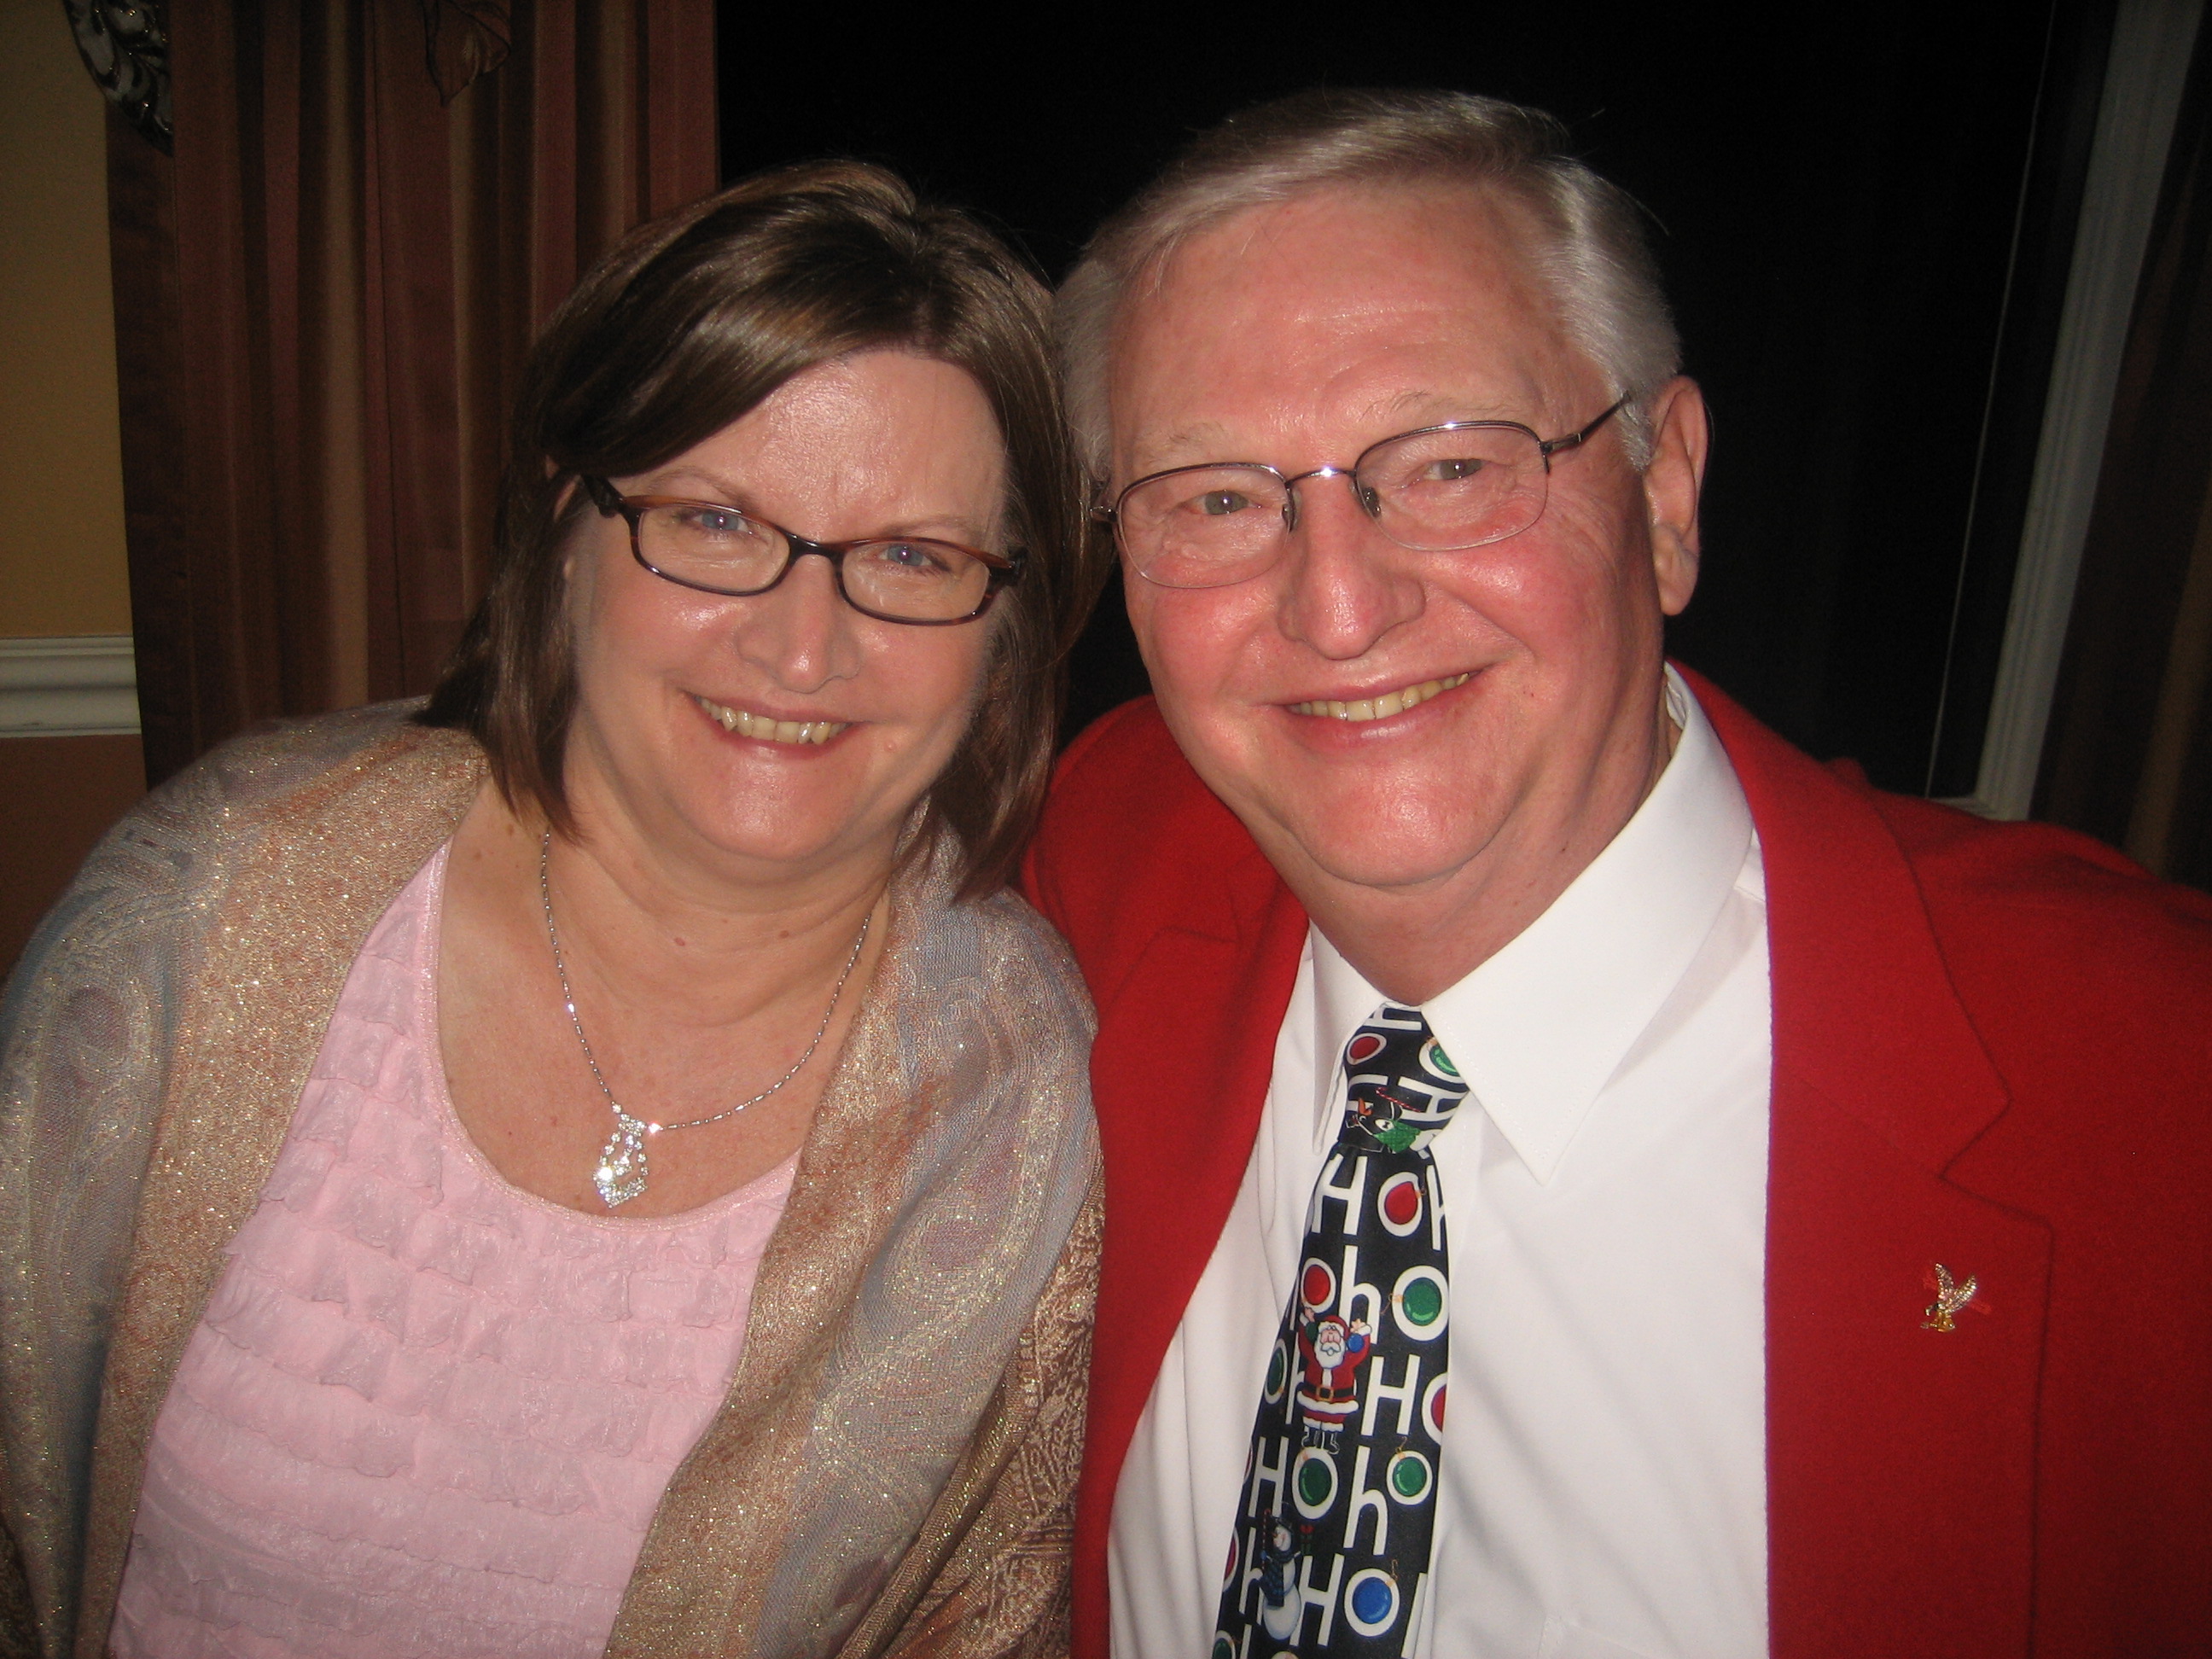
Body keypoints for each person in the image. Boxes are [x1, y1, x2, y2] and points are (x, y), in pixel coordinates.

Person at [1022, 89, 2212, 1659]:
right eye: (1218, 499)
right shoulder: (1106, 844)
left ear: (1664, 494)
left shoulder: (2152, 1087)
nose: (1338, 608)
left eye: (1453, 466)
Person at [0, 161, 1104, 1659]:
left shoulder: (1017, 1098)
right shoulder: (220, 891)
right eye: (714, 521)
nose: (802, 648)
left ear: (1006, 623)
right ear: (565, 525)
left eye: (914, 557)